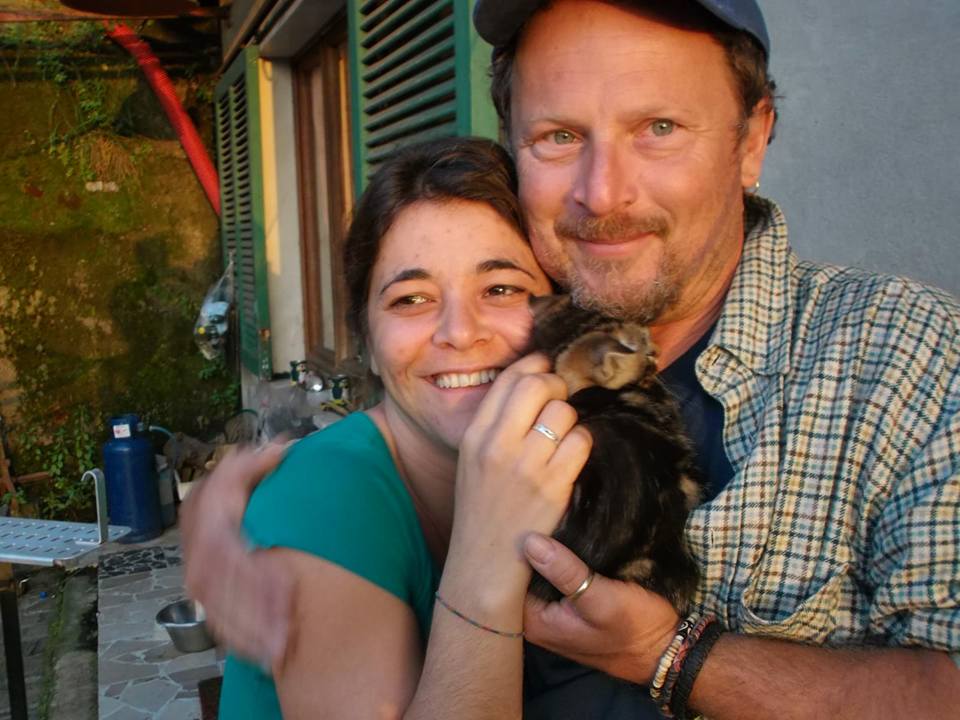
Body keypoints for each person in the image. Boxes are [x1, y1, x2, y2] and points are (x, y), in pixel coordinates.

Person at [187, 1, 960, 718]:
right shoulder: (550, 320)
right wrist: (286, 502)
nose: (602, 194)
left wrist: (673, 657)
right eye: (558, 136)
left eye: (658, 127)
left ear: (751, 139)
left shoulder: (900, 357)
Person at [213, 136, 592, 719]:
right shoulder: (321, 500)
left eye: (501, 289)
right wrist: (487, 555)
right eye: (412, 299)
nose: (460, 333)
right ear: (366, 341)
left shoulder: (584, 464)